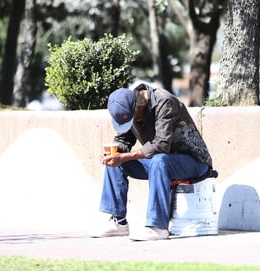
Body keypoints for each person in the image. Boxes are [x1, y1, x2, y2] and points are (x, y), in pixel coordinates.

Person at [91, 83, 213, 241]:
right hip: (161, 163)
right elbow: (124, 140)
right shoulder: (131, 107)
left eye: (131, 119)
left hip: (193, 162)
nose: (132, 123)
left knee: (158, 159)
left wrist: (126, 156)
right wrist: (114, 152)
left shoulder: (164, 102)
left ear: (138, 107)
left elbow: (162, 144)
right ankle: (119, 222)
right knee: (116, 160)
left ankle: (158, 227)